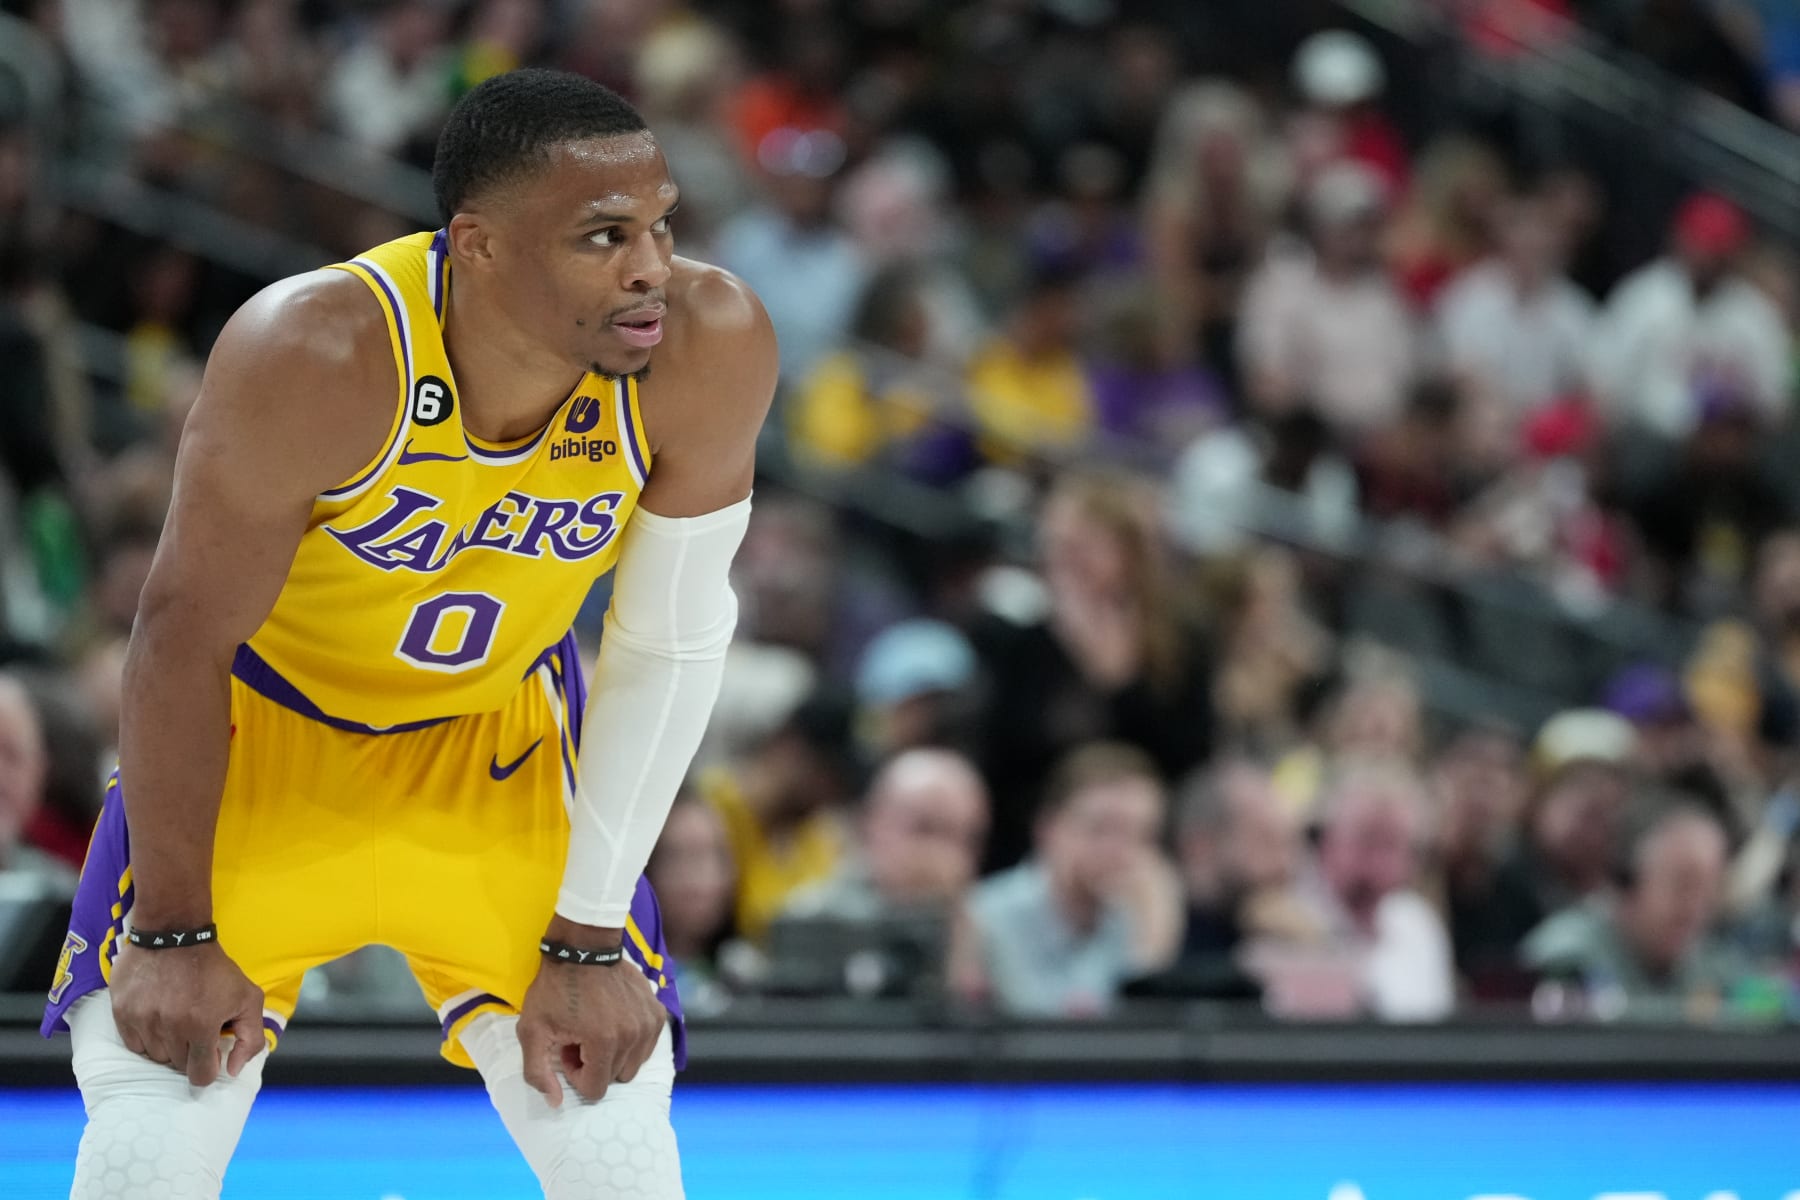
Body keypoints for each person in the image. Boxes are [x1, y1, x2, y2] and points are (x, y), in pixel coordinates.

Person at [42, 69, 775, 1199]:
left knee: (625, 1169)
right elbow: (178, 642)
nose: (650, 267)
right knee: (142, 1166)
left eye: (660, 225)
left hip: (501, 757)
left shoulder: (704, 341)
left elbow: (672, 643)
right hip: (260, 755)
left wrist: (587, 935)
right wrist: (176, 933)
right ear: (476, 246)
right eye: (602, 235)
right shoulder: (320, 348)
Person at [963, 743, 1184, 1018]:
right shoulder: (983, 918)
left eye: (1141, 836)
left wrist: (1153, 949)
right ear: (1047, 829)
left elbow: (1143, 1043)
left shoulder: (1137, 917)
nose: (1120, 852)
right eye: (1101, 829)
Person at [1523, 801, 1745, 1021]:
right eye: (1683, 884)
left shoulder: (1714, 965)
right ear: (1626, 879)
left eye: (1708, 889)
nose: (1695, 907)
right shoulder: (1565, 958)